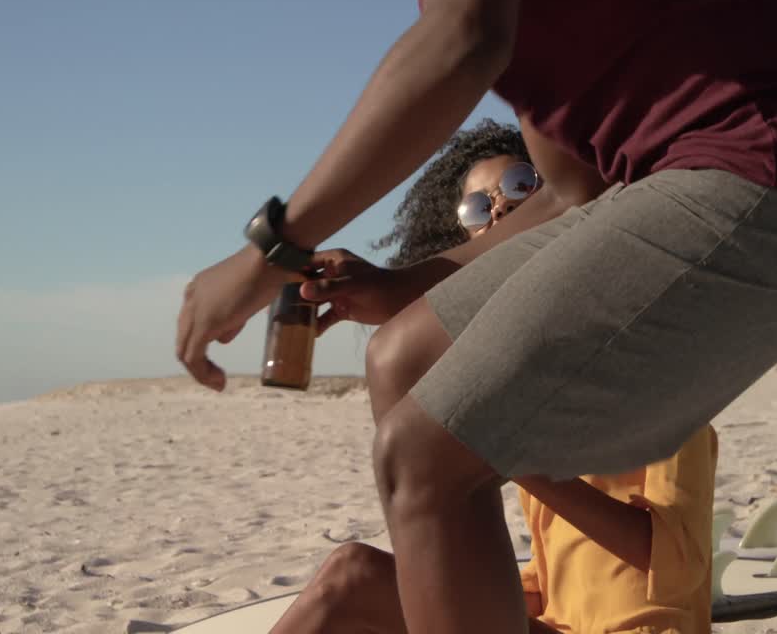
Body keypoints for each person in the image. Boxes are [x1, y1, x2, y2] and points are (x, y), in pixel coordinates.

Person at [173, 0, 777, 632]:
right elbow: (566, 193)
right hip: (700, 179)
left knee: (423, 458)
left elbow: (462, 40)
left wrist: (268, 248)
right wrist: (400, 286)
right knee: (401, 358)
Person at [269, 120, 720, 634]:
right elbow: (555, 583)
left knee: (350, 575)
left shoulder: (648, 370)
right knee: (360, 577)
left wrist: (507, 451)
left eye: (519, 186)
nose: (499, 208)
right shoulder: (530, 389)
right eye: (479, 209)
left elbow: (678, 566)